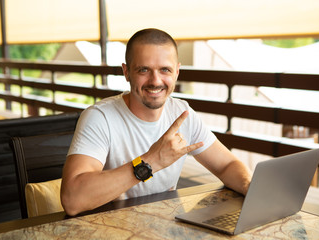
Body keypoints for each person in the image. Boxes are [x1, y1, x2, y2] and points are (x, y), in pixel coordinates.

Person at [61, 28, 251, 216]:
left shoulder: (182, 113)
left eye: (165, 70)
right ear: (126, 72)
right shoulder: (100, 117)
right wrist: (151, 161)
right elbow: (73, 200)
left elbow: (227, 165)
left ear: (177, 72)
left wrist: (249, 187)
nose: (155, 81)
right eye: (143, 70)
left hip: (165, 225)